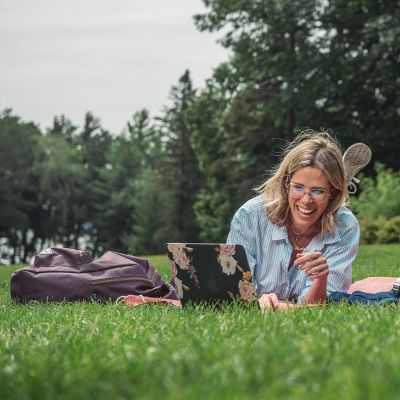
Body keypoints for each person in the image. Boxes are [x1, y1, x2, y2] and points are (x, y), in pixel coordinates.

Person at [226, 131, 371, 311]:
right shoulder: (249, 216)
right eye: (298, 187)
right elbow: (235, 292)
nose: (306, 200)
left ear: (332, 192)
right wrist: (260, 300)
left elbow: (320, 306)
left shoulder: (345, 226)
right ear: (286, 183)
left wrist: (320, 279)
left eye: (317, 191)